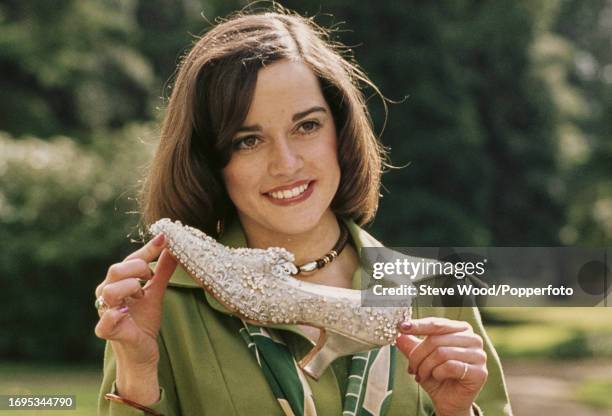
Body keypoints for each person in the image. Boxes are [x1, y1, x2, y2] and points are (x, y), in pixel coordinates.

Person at [95, 7, 513, 416]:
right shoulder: (162, 305)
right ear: (210, 160)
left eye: (307, 126)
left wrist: (456, 411)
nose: (286, 164)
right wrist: (138, 372)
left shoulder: (434, 292)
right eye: (248, 140)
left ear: (341, 130)